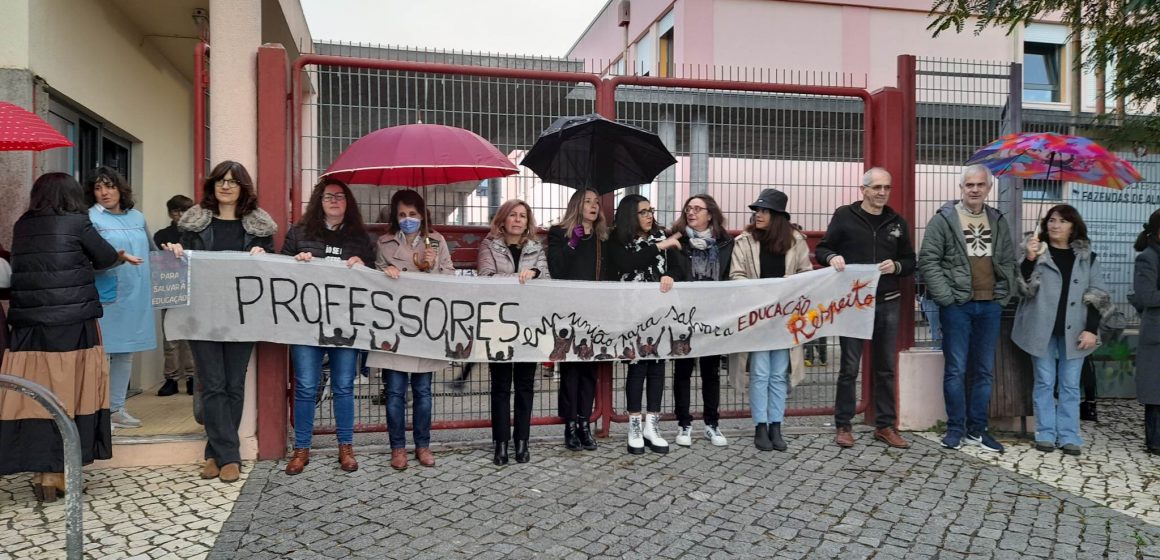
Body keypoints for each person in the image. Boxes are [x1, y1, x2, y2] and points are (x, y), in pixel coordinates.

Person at [0, 173, 138, 502]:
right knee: (69, 394)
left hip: (28, 327)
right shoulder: (78, 222)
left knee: (35, 397)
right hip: (71, 323)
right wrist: (116, 255)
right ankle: (58, 472)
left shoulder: (23, 224)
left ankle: (41, 472)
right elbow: (104, 257)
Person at [163, 161, 277, 483]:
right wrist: (175, 252)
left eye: (233, 181)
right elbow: (180, 262)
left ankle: (214, 452)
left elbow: (268, 273)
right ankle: (230, 456)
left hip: (242, 317)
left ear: (244, 188)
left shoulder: (260, 230)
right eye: (220, 181)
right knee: (212, 383)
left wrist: (262, 255)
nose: (226, 186)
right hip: (201, 315)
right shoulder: (192, 227)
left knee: (233, 384)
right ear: (212, 186)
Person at [917, 164, 1017, 453]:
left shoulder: (997, 220)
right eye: (969, 185)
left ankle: (978, 429)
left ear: (988, 188)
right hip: (957, 306)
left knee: (984, 371)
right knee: (956, 369)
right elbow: (929, 260)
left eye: (980, 185)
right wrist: (946, 298)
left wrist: (1001, 296)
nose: (975, 189)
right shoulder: (944, 220)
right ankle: (955, 429)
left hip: (990, 306)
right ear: (961, 188)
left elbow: (1008, 260)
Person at [815, 167, 915, 450]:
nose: (882, 193)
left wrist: (896, 266)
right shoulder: (845, 216)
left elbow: (910, 260)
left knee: (885, 367)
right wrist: (832, 256)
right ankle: (844, 425)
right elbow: (822, 249)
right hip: (853, 303)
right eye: (877, 188)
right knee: (849, 366)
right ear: (863, 190)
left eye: (887, 188)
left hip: (888, 301)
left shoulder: (897, 222)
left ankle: (885, 425)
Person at [282, 179, 375, 475]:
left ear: (348, 202)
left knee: (344, 386)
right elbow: (278, 273)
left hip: (345, 323)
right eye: (328, 196)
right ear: (318, 201)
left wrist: (364, 266)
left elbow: (374, 280)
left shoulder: (360, 238)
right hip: (305, 324)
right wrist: (296, 262)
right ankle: (301, 448)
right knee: (307, 385)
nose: (334, 201)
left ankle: (346, 446)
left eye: (340, 196)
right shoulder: (298, 233)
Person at [372, 189, 454, 471]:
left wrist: (431, 268)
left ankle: (423, 445)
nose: (408, 220)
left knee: (423, 390)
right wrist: (386, 273)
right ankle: (397, 447)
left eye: (414, 214)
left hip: (425, 325)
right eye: (403, 215)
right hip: (394, 325)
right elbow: (374, 280)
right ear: (395, 217)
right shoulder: (384, 243)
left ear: (422, 215)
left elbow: (450, 278)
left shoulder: (437, 241)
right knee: (394, 391)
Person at [1013, 205, 1104, 456]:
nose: (1055, 225)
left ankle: (1069, 435)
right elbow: (1022, 290)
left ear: (1073, 226)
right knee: (1044, 381)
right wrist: (1029, 259)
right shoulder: (1036, 251)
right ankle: (1045, 433)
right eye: (1052, 220)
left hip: (1075, 331)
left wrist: (1091, 330)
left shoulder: (1088, 258)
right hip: (1040, 329)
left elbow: (1097, 295)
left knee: (1070, 384)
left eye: (1063, 221)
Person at [729, 188, 812, 452]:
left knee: (778, 374)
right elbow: (736, 275)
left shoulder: (796, 241)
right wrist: (760, 293)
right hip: (758, 317)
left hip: (786, 320)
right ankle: (760, 426)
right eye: (757, 211)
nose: (758, 215)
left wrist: (789, 288)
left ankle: (777, 424)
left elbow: (806, 275)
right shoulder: (744, 241)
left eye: (764, 211)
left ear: (777, 216)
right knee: (760, 373)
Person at [606, 194, 684, 455]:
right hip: (632, 314)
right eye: (643, 212)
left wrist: (670, 276)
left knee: (658, 368)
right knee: (637, 368)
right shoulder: (618, 240)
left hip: (660, 313)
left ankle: (653, 424)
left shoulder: (663, 236)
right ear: (630, 215)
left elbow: (679, 268)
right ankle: (634, 426)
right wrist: (659, 248)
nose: (650, 215)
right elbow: (627, 264)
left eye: (651, 210)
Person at [476, 199, 548, 465]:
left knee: (526, 384)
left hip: (529, 323)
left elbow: (547, 280)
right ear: (503, 220)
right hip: (499, 323)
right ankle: (501, 442)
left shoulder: (536, 247)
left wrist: (536, 273)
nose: (518, 220)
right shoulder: (489, 245)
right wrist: (517, 279)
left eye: (523, 216)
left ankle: (522, 441)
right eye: (513, 215)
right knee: (501, 385)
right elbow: (485, 278)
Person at [86, 167, 158, 430]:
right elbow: (86, 257)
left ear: (120, 189)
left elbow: (153, 252)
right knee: (100, 355)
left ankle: (117, 408)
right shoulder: (90, 218)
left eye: (110, 186)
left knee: (125, 354)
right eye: (98, 187)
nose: (104, 192)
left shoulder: (137, 217)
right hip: (106, 295)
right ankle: (97, 411)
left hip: (135, 295)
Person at [669, 194, 733, 447]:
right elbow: (670, 273)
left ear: (711, 214)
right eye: (688, 208)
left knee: (711, 371)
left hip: (713, 317)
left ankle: (711, 424)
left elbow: (730, 277)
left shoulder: (726, 243)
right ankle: (683, 424)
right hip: (683, 316)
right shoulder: (676, 241)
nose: (691, 212)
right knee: (683, 370)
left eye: (697, 208)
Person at [546, 187, 607, 452]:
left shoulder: (603, 236)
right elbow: (556, 268)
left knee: (589, 370)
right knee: (570, 369)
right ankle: (570, 424)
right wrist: (573, 243)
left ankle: (584, 423)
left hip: (595, 310)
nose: (593, 206)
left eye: (596, 202)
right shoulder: (559, 233)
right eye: (587, 202)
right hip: (569, 310)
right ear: (576, 206)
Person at [154, 194, 196, 397]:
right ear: (170, 213)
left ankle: (191, 377)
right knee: (170, 338)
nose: (180, 215)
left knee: (189, 336)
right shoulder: (161, 235)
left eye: (185, 210)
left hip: (193, 288)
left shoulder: (197, 234)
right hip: (169, 288)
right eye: (176, 211)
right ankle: (170, 378)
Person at [1128, 208, 1160, 456]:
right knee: (1156, 391)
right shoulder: (1148, 258)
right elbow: (1146, 296)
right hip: (1157, 333)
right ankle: (1155, 441)